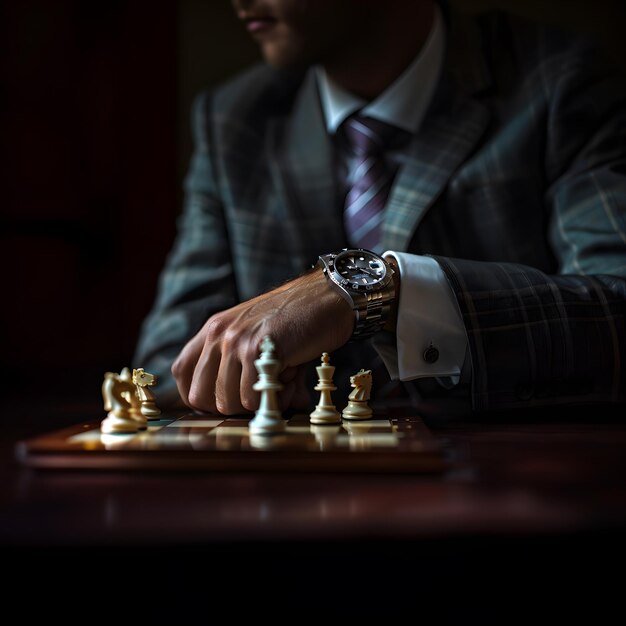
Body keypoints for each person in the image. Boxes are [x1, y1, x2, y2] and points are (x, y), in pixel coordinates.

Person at [133, 0, 626, 419]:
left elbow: (616, 307)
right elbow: (165, 366)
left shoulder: (559, 82)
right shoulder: (234, 120)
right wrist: (238, 383)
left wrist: (380, 292)